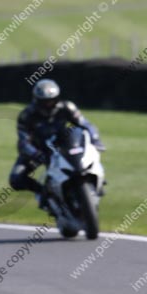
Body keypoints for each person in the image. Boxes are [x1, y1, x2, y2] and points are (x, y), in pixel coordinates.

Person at [9, 78, 104, 208]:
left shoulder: (67, 107)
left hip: (64, 145)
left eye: (51, 100)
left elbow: (86, 125)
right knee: (16, 178)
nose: (48, 104)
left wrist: (95, 140)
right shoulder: (27, 115)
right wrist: (37, 155)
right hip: (38, 150)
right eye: (44, 102)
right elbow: (23, 142)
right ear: (36, 100)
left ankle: (95, 183)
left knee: (86, 160)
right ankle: (43, 193)